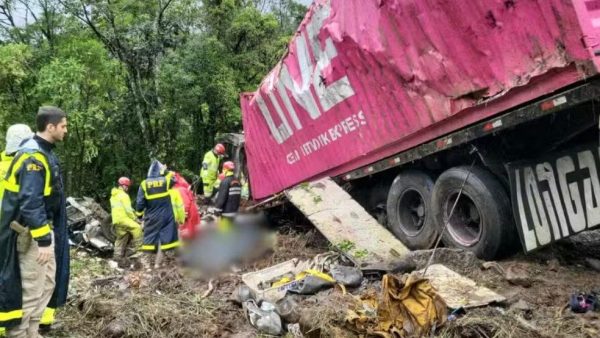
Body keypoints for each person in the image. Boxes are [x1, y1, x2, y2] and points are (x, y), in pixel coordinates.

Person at [0, 106, 70, 337]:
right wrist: (43, 239)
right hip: (30, 234)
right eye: (63, 126)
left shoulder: (44, 152)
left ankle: (33, 331)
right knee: (30, 288)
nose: (66, 130)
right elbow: (31, 202)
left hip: (43, 231)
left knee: (47, 283)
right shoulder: (33, 157)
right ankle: (19, 333)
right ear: (50, 127)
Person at [135, 160, 185, 269]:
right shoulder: (165, 181)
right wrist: (165, 171)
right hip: (167, 216)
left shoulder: (144, 184)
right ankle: (157, 264)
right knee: (164, 241)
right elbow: (174, 179)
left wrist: (139, 215)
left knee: (149, 240)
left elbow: (140, 203)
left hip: (151, 216)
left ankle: (147, 266)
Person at [110, 177, 143, 261]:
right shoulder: (124, 196)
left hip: (116, 220)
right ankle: (139, 250)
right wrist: (136, 219)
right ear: (123, 186)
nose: (127, 188)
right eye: (127, 186)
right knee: (137, 228)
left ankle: (117, 256)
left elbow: (126, 208)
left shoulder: (114, 196)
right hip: (123, 219)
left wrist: (133, 211)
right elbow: (128, 210)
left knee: (121, 236)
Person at [173, 173, 200, 241]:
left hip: (188, 214)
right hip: (190, 212)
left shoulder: (179, 189)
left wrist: (184, 214)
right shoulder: (181, 187)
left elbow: (185, 203)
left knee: (188, 234)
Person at [214, 161, 241, 231]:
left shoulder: (225, 181)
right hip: (235, 212)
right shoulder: (237, 181)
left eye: (223, 169)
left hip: (226, 213)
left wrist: (217, 211)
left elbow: (222, 198)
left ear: (225, 169)